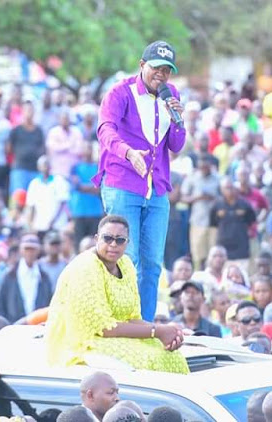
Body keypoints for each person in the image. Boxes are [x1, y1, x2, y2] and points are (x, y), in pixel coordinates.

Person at [94, 41, 186, 322]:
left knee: (152, 264)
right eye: (156, 67)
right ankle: (123, 321)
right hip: (123, 183)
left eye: (167, 70)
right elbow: (105, 129)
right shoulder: (120, 93)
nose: (161, 74)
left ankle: (143, 324)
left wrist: (178, 119)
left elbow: (176, 145)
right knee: (126, 259)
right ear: (142, 65)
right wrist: (128, 152)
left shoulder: (170, 95)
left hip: (156, 188)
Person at [46, 215, 188, 373]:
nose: (113, 244)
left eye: (120, 240)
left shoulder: (126, 264)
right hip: (83, 342)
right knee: (151, 360)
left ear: (127, 243)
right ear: (96, 238)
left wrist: (167, 331)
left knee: (173, 357)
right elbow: (103, 328)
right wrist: (157, 331)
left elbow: (133, 318)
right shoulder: (85, 267)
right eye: (107, 238)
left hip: (114, 337)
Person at [0, 234, 53, 323]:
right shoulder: (9, 276)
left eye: (33, 249)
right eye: (27, 249)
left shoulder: (44, 278)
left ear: (38, 250)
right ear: (21, 250)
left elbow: (50, 306)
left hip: (39, 329)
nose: (30, 252)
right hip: (13, 330)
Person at [180, 154, 219, 270]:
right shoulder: (192, 178)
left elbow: (224, 198)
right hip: (197, 221)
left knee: (213, 255)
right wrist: (198, 197)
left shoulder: (218, 179)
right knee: (197, 255)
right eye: (202, 167)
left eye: (206, 167)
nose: (204, 169)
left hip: (214, 222)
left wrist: (212, 198)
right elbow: (183, 198)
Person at [210, 178, 256, 272]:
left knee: (241, 273)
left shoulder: (245, 204)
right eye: (227, 188)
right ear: (221, 190)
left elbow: (251, 221)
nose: (229, 190)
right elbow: (213, 224)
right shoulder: (217, 205)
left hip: (241, 246)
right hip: (223, 246)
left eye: (231, 188)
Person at [69, 141, 104, 250]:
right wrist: (93, 188)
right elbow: (76, 186)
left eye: (89, 148)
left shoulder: (98, 167)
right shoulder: (75, 167)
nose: (88, 151)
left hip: (95, 212)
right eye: (85, 148)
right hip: (79, 211)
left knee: (95, 244)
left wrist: (84, 187)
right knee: (78, 244)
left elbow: (100, 188)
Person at [25, 156, 70, 236]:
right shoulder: (34, 184)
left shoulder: (59, 181)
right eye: (42, 165)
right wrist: (30, 224)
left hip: (57, 225)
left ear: (50, 166)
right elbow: (31, 206)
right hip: (40, 226)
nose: (45, 167)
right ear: (38, 167)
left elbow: (62, 203)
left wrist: (53, 221)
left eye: (46, 164)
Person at [8, 100, 44, 193]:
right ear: (22, 112)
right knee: (19, 198)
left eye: (31, 110)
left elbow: (42, 148)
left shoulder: (38, 131)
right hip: (20, 169)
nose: (29, 112)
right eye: (27, 110)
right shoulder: (16, 130)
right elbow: (9, 148)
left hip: (35, 169)